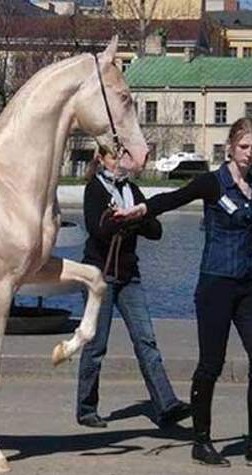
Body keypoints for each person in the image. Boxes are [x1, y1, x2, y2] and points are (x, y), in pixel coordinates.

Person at [114, 117, 252, 468]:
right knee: (212, 363)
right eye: (244, 146)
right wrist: (141, 210)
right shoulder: (213, 183)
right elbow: (174, 198)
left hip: (249, 284)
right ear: (230, 146)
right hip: (215, 284)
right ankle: (201, 440)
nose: (249, 153)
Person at [76, 144, 191, 430]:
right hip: (98, 276)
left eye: (122, 157)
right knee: (95, 345)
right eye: (113, 156)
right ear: (101, 159)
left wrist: (133, 218)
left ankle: (166, 405)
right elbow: (97, 230)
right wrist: (121, 221)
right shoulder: (95, 189)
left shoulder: (132, 190)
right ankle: (86, 408)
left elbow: (156, 231)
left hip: (129, 276)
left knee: (146, 341)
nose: (119, 162)